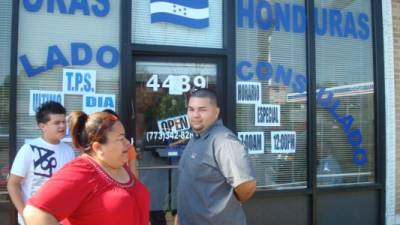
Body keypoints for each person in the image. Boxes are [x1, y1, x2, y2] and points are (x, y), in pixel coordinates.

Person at [22, 111, 150, 225]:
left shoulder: (118, 164)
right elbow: (34, 213)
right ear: (98, 148)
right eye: (121, 138)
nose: (128, 143)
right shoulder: (81, 171)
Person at [175, 89, 257, 225]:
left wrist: (227, 205)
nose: (195, 115)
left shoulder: (224, 141)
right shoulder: (196, 137)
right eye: (191, 109)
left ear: (216, 112)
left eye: (202, 109)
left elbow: (247, 185)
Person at [7, 101, 75, 225]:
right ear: (42, 126)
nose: (62, 126)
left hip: (58, 220)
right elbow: (13, 184)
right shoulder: (29, 149)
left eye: (63, 121)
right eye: (56, 123)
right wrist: (24, 214)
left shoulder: (69, 151)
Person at [102, 109, 138, 177]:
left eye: (122, 137)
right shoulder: (94, 151)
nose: (127, 142)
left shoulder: (129, 148)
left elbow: (134, 176)